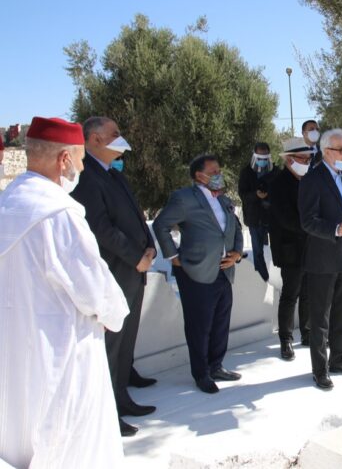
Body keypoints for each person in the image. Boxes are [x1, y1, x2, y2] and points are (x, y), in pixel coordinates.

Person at [0, 116, 129, 467]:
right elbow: (97, 290)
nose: (82, 168)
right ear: (64, 160)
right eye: (81, 160)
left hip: (13, 351)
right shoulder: (59, 215)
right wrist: (116, 314)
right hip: (62, 355)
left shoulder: (7, 204)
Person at [70, 116, 157, 437]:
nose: (121, 138)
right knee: (110, 345)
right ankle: (107, 414)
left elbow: (136, 216)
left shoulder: (114, 174)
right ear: (94, 139)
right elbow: (100, 228)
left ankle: (122, 397)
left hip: (135, 271)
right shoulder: (86, 177)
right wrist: (136, 257)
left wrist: (150, 246)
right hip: (115, 272)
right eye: (114, 134)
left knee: (126, 341)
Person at [153, 155, 244, 394]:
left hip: (224, 271)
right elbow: (161, 225)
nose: (218, 175)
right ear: (199, 175)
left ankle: (216, 366)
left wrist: (237, 253)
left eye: (219, 170)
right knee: (199, 326)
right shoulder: (184, 198)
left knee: (221, 322)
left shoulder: (223, 199)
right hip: (195, 271)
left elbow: (235, 227)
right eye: (213, 172)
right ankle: (201, 373)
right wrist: (173, 256)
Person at [298, 129, 342, 390]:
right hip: (322, 259)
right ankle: (320, 369)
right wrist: (335, 229)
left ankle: (339, 359)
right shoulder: (312, 180)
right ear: (326, 151)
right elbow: (308, 221)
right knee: (320, 318)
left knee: (341, 313)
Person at [269, 138, 313, 360]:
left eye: (308, 159)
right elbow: (285, 218)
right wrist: (312, 226)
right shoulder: (278, 183)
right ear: (289, 160)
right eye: (302, 159)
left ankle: (307, 332)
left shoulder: (308, 180)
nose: (306, 163)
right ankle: (285, 339)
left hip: (310, 246)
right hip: (289, 248)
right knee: (290, 293)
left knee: (308, 292)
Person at [239, 142, 277, 282]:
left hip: (272, 218)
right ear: (254, 156)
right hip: (254, 218)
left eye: (265, 158)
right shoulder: (246, 172)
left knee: (275, 250)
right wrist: (256, 195)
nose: (262, 160)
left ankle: (275, 278)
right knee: (258, 251)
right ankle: (261, 279)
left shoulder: (275, 171)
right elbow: (243, 194)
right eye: (259, 158)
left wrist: (269, 195)